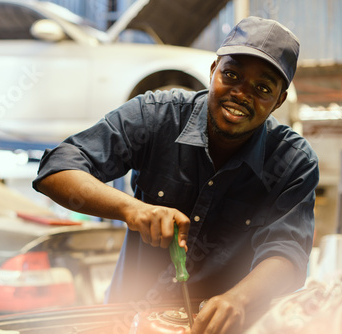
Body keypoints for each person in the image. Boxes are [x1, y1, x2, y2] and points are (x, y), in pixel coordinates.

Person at [33, 16, 319, 334]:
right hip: (126, 324)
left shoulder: (293, 162)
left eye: (262, 88)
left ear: (279, 100)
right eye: (231, 74)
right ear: (213, 71)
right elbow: (57, 168)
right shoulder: (156, 116)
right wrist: (132, 209)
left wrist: (237, 300)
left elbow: (288, 254)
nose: (241, 93)